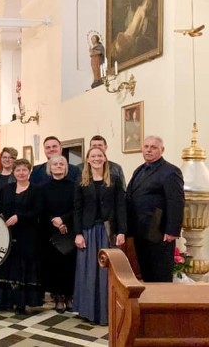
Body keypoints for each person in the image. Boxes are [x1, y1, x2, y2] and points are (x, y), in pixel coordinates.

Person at [73, 147, 126, 325]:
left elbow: (121, 207)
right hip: (87, 231)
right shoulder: (81, 181)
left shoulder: (115, 179)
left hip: (107, 230)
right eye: (93, 156)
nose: (96, 159)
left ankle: (106, 311)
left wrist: (122, 231)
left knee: (106, 272)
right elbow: (77, 209)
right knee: (88, 271)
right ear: (87, 160)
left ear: (105, 159)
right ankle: (88, 311)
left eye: (99, 156)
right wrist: (78, 233)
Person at [0, 159, 43, 315]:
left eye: (24, 170)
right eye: (18, 170)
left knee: (22, 268)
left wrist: (20, 217)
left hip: (27, 235)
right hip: (7, 234)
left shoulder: (36, 190)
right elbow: (0, 207)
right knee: (5, 266)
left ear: (29, 172)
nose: (21, 173)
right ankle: (2, 302)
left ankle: (21, 303)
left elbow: (38, 211)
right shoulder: (7, 188)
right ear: (13, 172)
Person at [126, 136, 184, 282]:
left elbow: (176, 202)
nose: (149, 150)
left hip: (159, 231)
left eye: (153, 147)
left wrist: (172, 231)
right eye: (146, 146)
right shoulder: (139, 170)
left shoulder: (171, 171)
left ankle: (162, 304)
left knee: (160, 275)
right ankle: (149, 304)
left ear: (162, 150)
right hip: (140, 230)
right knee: (146, 273)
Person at [39, 156, 77, 314]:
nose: (58, 166)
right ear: (50, 167)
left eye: (62, 164)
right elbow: (41, 209)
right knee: (54, 266)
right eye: (55, 164)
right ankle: (58, 297)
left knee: (69, 265)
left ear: (66, 167)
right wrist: (54, 221)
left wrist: (64, 221)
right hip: (50, 231)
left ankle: (69, 296)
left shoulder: (75, 186)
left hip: (70, 229)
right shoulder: (42, 187)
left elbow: (77, 207)